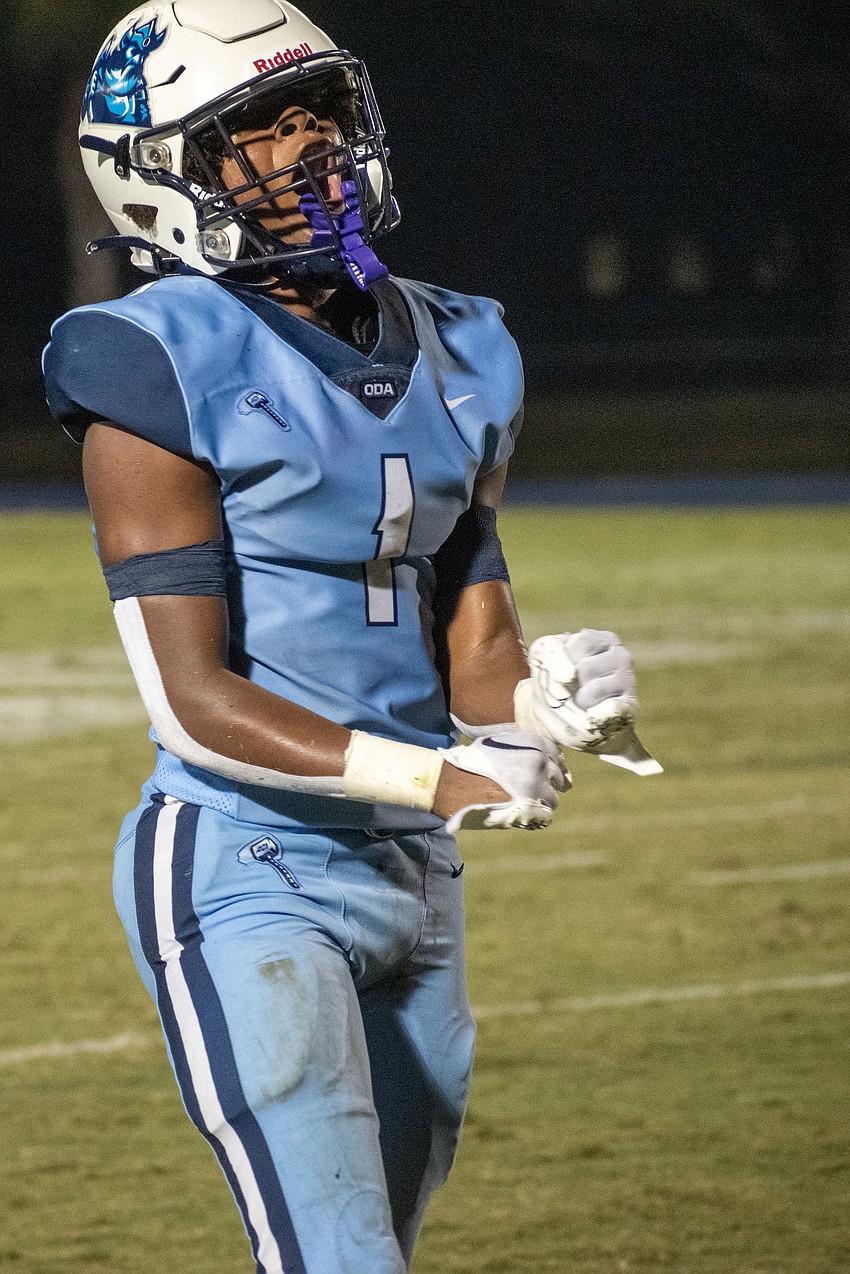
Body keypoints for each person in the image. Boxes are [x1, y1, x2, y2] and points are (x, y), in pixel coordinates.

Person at [43, 3, 659, 1271]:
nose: (312, 147)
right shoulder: (149, 356)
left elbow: (470, 642)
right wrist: (441, 775)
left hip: (414, 876)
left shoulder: (463, 339)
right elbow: (190, 700)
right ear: (161, 173)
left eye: (320, 112)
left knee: (378, 1241)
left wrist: (543, 702)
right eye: (259, 131)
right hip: (246, 864)